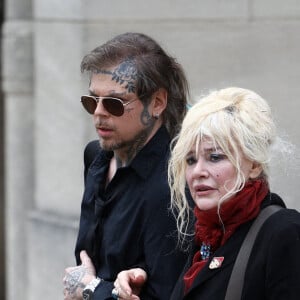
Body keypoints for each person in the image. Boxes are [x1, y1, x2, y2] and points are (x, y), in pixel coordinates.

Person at [113, 87, 300, 300]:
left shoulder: (284, 232)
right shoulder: (205, 234)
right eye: (191, 160)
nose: (198, 172)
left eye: (215, 157)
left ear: (254, 164)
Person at [63, 32, 191, 300]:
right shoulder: (96, 156)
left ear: (157, 103)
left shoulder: (173, 182)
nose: (99, 112)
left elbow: (165, 295)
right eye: (91, 101)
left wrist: (88, 288)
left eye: (114, 103)